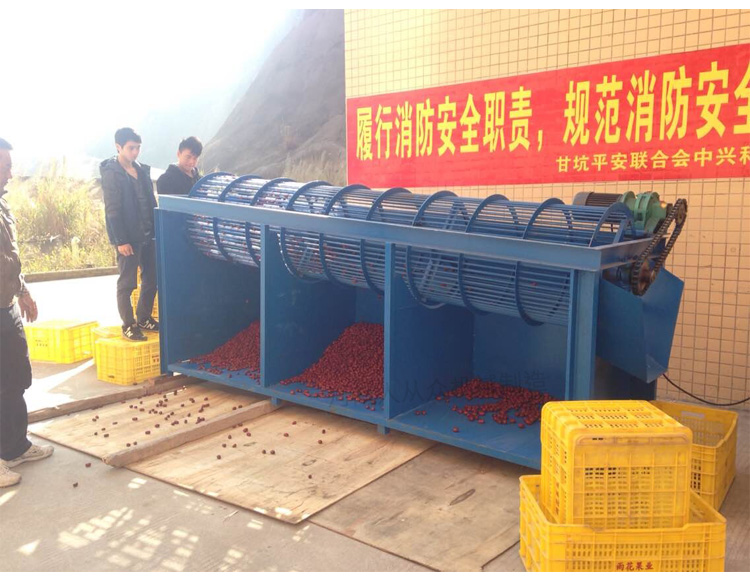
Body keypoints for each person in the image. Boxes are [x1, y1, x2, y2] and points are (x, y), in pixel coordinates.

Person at [0, 137, 54, 488]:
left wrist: (23, 291)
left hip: (5, 305)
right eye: (4, 167)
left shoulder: (2, 205)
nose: (9, 174)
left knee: (15, 377)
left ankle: (14, 447)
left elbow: (8, 258)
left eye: (9, 167)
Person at [100, 128, 158, 342]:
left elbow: (150, 201)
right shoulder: (111, 173)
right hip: (128, 238)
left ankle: (144, 317)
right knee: (127, 283)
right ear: (118, 147)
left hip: (148, 233)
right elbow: (112, 210)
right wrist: (120, 240)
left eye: (138, 148)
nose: (135, 152)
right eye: (131, 148)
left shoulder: (141, 170)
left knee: (152, 278)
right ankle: (128, 324)